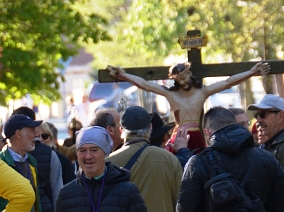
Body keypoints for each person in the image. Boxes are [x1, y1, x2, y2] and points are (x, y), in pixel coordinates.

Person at [108, 62, 270, 150]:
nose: (184, 82)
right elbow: (145, 84)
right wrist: (123, 75)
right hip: (179, 136)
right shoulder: (171, 95)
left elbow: (228, 82)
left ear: (190, 74)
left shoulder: (202, 92)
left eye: (185, 77)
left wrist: (251, 72)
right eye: (179, 80)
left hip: (197, 136)